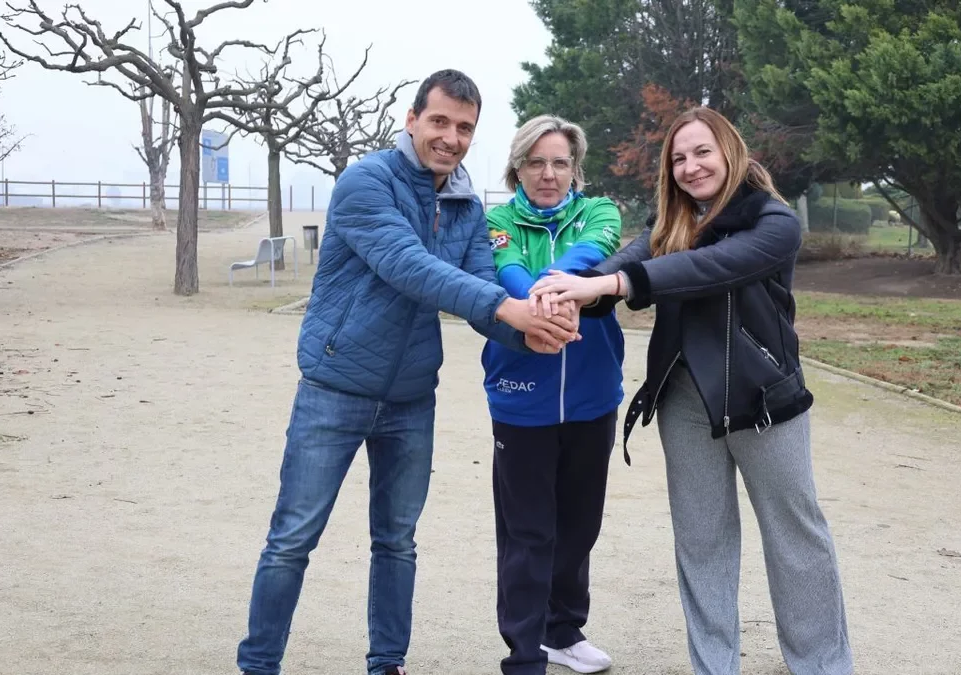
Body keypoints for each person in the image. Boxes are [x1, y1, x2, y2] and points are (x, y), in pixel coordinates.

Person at [236, 70, 580, 675]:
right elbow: (408, 264)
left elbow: (476, 287)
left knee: (397, 542)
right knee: (292, 539)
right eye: (440, 121)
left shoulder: (467, 206)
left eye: (465, 128)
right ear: (412, 119)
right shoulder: (366, 181)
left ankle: (387, 663)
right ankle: (259, 665)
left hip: (411, 398)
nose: (451, 137)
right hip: (334, 387)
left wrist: (531, 334)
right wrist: (508, 308)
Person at [529, 107, 853, 675]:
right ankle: (713, 666)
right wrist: (578, 289)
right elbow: (627, 261)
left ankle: (823, 665)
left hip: (763, 402)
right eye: (678, 157)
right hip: (682, 401)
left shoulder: (774, 224)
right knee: (701, 544)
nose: (690, 166)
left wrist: (619, 283)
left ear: (732, 152)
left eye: (702, 152)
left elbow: (710, 268)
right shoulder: (671, 226)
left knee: (795, 538)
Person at [481, 115, 624, 675]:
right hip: (521, 400)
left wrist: (553, 286)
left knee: (580, 524)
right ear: (517, 168)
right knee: (528, 531)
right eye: (535, 162)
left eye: (559, 162)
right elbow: (507, 266)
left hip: (592, 398)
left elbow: (591, 253)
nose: (548, 173)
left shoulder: (601, 211)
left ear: (574, 168)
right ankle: (523, 653)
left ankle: (563, 631)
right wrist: (545, 297)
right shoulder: (495, 219)